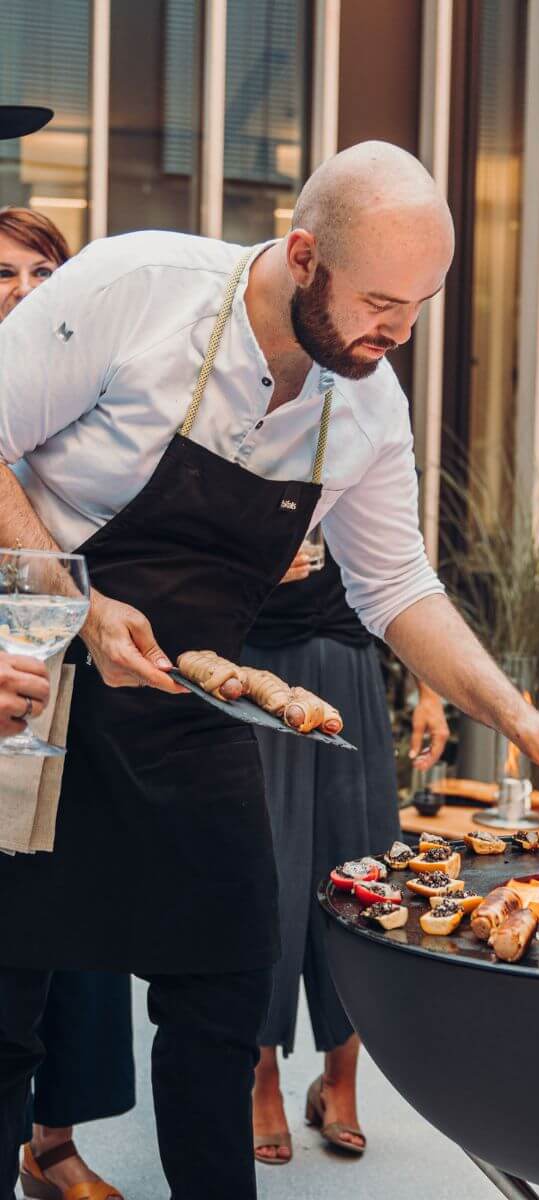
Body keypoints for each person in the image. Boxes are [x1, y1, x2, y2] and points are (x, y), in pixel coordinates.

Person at [0, 141, 539, 1200]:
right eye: (382, 300)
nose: (399, 333)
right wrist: (76, 605)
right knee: (6, 1003)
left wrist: (518, 717)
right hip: (31, 690)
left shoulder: (367, 405)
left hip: (193, 701)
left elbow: (398, 589)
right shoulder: (137, 289)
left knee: (228, 981)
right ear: (301, 254)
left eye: (419, 307)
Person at [0, 205, 133, 1200]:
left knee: (74, 924)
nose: (22, 291)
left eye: (42, 274)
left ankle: (54, 1138)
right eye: (4, 273)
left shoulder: (78, 401)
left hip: (68, 673)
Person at [244, 545, 449, 1164]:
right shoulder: (236, 444)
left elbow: (403, 564)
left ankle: (341, 1081)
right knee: (266, 873)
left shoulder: (369, 443)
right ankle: (262, 1082)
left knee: (361, 875)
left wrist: (430, 691)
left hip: (353, 672)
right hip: (260, 670)